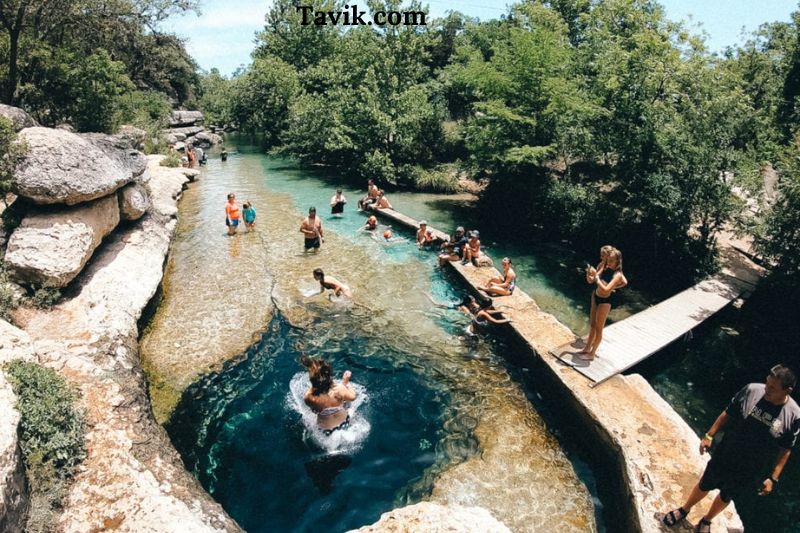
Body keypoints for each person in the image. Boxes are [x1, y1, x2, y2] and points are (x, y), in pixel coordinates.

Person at [662, 365, 800, 533]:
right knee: (705, 483)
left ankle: (707, 520)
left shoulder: (794, 415)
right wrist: (709, 435)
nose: (766, 389)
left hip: (751, 466)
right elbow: (728, 412)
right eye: (766, 383)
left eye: (772, 388)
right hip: (727, 452)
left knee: (727, 494)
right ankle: (684, 509)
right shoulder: (751, 390)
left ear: (788, 391)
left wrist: (773, 478)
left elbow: (786, 449)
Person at [580, 247, 627, 361]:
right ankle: (587, 348)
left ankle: (592, 354)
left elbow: (606, 289)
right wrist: (589, 273)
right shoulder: (605, 267)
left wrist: (598, 280)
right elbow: (592, 279)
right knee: (592, 324)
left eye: (611, 260)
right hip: (596, 296)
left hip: (605, 301)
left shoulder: (618, 275)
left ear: (617, 261)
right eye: (607, 260)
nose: (608, 262)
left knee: (598, 328)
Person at [300, 356, 357, 435]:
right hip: (344, 422)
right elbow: (353, 397)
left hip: (325, 430)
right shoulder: (339, 389)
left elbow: (314, 410)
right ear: (330, 376)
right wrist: (345, 383)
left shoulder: (309, 397)